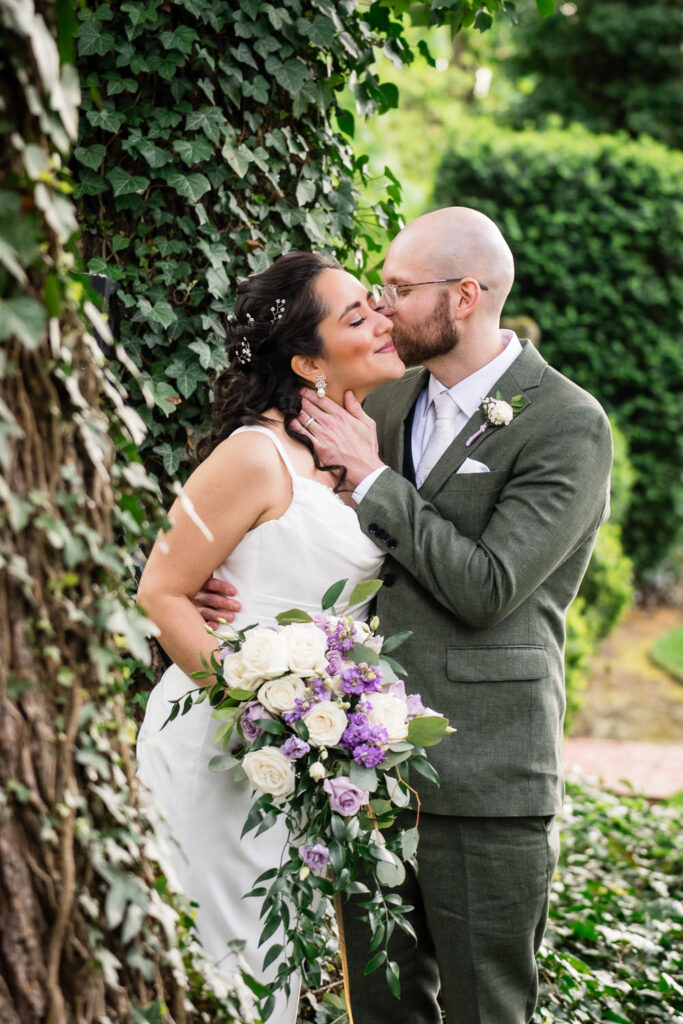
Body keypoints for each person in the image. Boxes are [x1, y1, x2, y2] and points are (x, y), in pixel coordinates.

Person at [196, 207, 613, 1024]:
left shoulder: (566, 424)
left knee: (487, 1009)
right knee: (380, 1011)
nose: (381, 307)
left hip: (485, 776)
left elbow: (489, 585)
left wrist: (375, 482)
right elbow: (311, 535)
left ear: (463, 296)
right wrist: (229, 587)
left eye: (397, 288)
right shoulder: (382, 406)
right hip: (359, 769)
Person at [135, 250, 405, 1021]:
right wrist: (258, 711)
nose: (382, 319)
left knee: (265, 955)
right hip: (219, 748)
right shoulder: (254, 454)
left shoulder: (358, 449)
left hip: (292, 761)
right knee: (214, 954)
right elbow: (162, 590)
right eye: (357, 316)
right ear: (305, 361)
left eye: (375, 303)